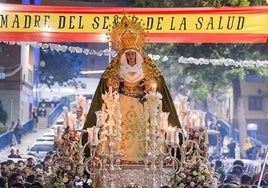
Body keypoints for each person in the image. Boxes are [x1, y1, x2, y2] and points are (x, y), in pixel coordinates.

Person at [83, 15, 181, 163]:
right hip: (120, 106)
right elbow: (106, 85)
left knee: (145, 133)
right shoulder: (116, 69)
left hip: (141, 106)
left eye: (132, 55)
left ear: (137, 56)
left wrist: (149, 83)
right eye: (127, 55)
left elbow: (157, 83)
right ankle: (116, 158)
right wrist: (114, 83)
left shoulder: (146, 68)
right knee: (116, 131)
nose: (130, 57)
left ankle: (146, 158)